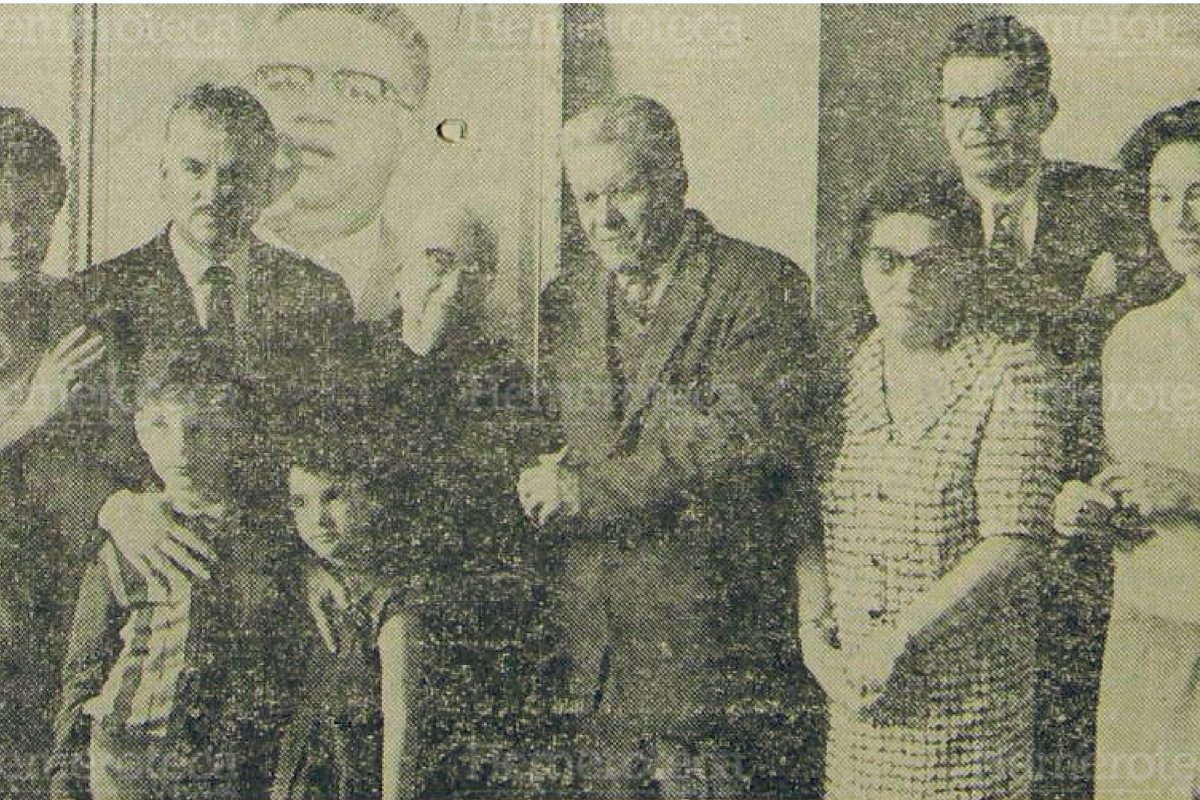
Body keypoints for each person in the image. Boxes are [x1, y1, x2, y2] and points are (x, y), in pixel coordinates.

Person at [50, 82, 354, 797]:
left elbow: (331, 447)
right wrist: (113, 506)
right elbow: (52, 453)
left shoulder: (315, 296)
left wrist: (317, 551)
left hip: (268, 605)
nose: (214, 192)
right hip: (137, 603)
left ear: (269, 183)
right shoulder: (101, 295)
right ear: (163, 175)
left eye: (236, 174)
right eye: (195, 169)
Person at [525, 95, 813, 797]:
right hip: (594, 660)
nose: (605, 218)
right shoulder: (564, 301)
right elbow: (548, 439)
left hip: (711, 655)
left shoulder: (760, 287)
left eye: (624, 190)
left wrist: (587, 492)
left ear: (677, 179)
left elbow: (734, 441)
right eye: (586, 197)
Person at [933, 17, 1178, 792]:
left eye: (1004, 101)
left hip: (1091, 534)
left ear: (1047, 108)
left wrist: (1098, 480)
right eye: (960, 103)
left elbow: (1168, 352)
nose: (980, 124)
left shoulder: (1118, 205)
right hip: (956, 529)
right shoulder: (909, 218)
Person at [801, 183, 1063, 800]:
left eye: (931, 263)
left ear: (967, 269)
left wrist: (899, 638)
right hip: (859, 702)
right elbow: (805, 521)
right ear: (863, 267)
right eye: (886, 260)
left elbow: (1012, 540)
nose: (906, 283)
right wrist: (814, 637)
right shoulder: (844, 371)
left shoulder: (1012, 373)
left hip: (965, 706)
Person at [271, 295, 548, 800]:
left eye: (334, 499)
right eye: (301, 505)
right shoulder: (364, 357)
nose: (317, 519)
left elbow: (404, 724)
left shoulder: (502, 380)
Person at [65, 346, 298, 800]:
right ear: (140, 433)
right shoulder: (130, 537)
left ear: (231, 431)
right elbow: (85, 666)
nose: (182, 447)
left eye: (201, 428)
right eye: (160, 426)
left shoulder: (268, 535)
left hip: (227, 756)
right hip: (126, 749)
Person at [1054, 100, 1200, 800]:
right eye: (1163, 197)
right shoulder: (1134, 337)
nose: (1181, 219)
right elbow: (1123, 479)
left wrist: (1193, 493)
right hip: (1149, 628)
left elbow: (1176, 487)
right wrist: (1088, 506)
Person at [249, 2, 472, 353]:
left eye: (358, 90)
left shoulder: (433, 295)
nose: (314, 111)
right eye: (286, 82)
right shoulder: (174, 271)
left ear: (411, 125)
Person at [0, 107, 105, 795]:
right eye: (2, 213)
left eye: (35, 213)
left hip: (60, 572)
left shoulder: (72, 307)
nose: (16, 235)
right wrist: (31, 408)